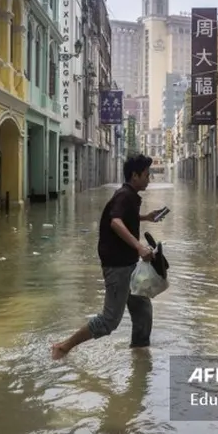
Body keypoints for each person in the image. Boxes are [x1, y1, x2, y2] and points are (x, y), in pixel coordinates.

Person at [51, 154, 167, 360]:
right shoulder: (124, 195)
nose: (149, 179)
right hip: (118, 265)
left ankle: (139, 354)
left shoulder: (129, 195)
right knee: (109, 320)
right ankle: (63, 347)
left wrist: (146, 217)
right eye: (147, 175)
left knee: (142, 308)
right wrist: (140, 247)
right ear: (135, 175)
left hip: (129, 264)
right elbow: (115, 222)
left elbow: (121, 216)